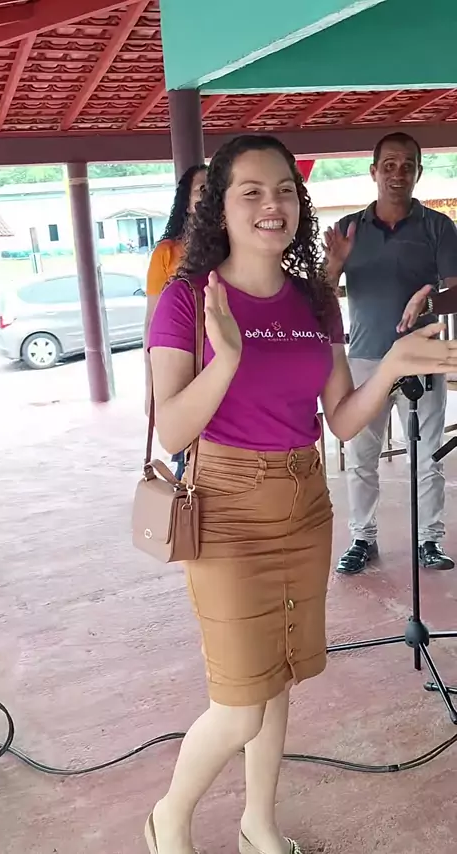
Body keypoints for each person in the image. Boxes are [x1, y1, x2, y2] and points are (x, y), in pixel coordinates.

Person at [146, 133, 457, 854]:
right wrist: (227, 358)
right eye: (251, 191)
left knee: (278, 680)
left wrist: (394, 364)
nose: (272, 204)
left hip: (304, 500)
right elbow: (173, 430)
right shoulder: (187, 298)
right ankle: (168, 819)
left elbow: (342, 418)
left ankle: (258, 823)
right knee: (239, 704)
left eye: (285, 189)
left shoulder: (314, 300)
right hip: (226, 507)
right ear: (220, 208)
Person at [324, 132, 457, 575]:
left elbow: (455, 291)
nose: (398, 173)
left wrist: (429, 297)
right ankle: (362, 538)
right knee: (361, 458)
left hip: (423, 359)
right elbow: (321, 294)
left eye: (407, 166)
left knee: (427, 455)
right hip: (366, 360)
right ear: (373, 172)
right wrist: (334, 265)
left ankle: (429, 539)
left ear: (419, 172)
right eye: (389, 165)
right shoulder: (349, 228)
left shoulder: (438, 227)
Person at [144, 163, 207, 478]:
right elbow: (152, 326)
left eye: (216, 190)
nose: (209, 197)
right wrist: (151, 387)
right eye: (201, 190)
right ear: (186, 202)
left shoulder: (236, 248)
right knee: (188, 460)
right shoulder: (166, 254)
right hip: (182, 366)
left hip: (222, 364)